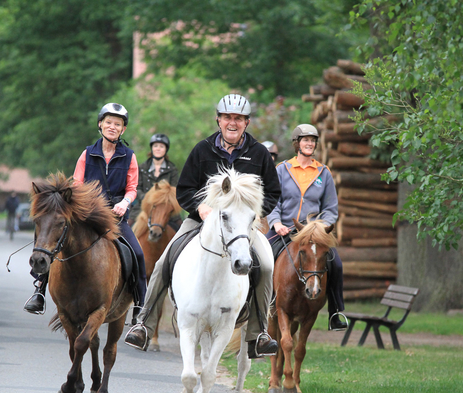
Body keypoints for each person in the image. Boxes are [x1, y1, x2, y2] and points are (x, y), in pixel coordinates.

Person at [125, 93, 282, 359]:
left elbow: (273, 192)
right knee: (163, 262)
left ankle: (259, 333)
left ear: (247, 122)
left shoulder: (259, 154)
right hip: (201, 221)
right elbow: (184, 188)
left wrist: (253, 215)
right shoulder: (202, 149)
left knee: (265, 266)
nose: (233, 123)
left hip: (242, 227)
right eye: (228, 118)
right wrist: (200, 208)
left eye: (239, 119)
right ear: (219, 120)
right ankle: (144, 324)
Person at [23, 103, 147, 314]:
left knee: (137, 254)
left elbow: (132, 188)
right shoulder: (87, 154)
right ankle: (40, 290)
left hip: (115, 218)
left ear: (123, 129)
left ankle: (140, 309)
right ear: (100, 124)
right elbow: (77, 184)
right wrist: (86, 205)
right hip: (87, 216)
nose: (112, 127)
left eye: (117, 124)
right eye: (108, 122)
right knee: (51, 239)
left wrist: (125, 202)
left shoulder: (129, 156)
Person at [266, 123, 348, 331]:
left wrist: (323, 227)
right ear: (297, 144)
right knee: (259, 259)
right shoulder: (282, 170)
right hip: (285, 229)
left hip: (313, 233)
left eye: (312, 140)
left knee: (335, 264)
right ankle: (255, 308)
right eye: (305, 140)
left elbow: (330, 208)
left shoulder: (323, 173)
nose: (309, 143)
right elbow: (273, 202)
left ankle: (335, 313)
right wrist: (276, 224)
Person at [129, 133, 179, 224]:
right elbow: (137, 187)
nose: (158, 149)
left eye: (161, 146)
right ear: (152, 148)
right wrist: (144, 197)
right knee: (127, 228)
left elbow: (174, 190)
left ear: (166, 149)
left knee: (181, 228)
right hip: (143, 206)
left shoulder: (172, 169)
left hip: (165, 208)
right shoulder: (142, 168)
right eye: (155, 146)